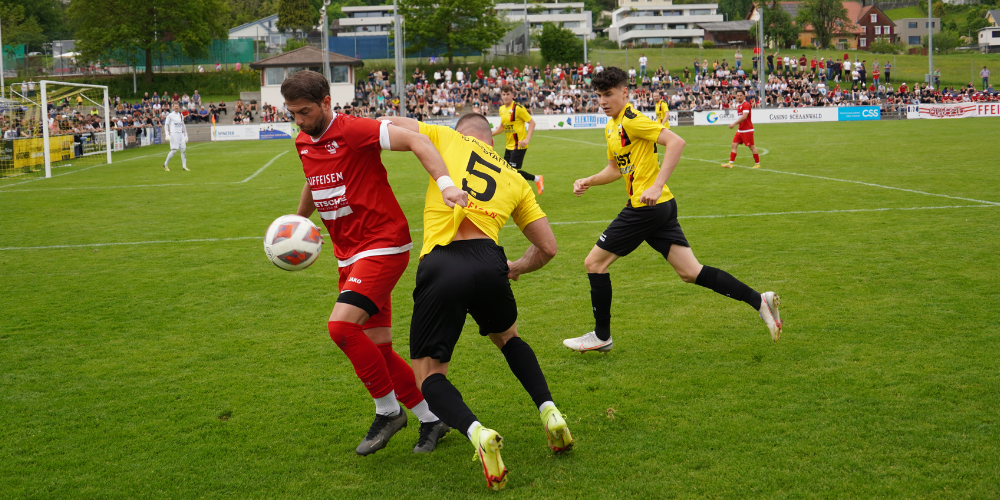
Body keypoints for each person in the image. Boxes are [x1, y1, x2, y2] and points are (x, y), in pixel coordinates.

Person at [379, 113, 573, 491]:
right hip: (489, 261)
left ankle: (477, 433)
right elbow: (548, 248)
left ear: (464, 132)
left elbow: (387, 122)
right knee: (508, 337)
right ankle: (549, 411)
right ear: (491, 138)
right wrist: (514, 267)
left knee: (429, 374)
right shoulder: (516, 179)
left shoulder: (446, 137)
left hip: (442, 263)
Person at [280, 70, 467, 456]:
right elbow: (315, 179)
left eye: (305, 112)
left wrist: (447, 183)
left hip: (383, 244)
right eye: (292, 113)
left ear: (327, 103)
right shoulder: (303, 140)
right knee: (377, 348)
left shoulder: (353, 130)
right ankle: (433, 419)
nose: (299, 120)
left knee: (342, 328)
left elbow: (417, 140)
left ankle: (388, 411)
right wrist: (297, 223)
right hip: (347, 253)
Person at [562, 67, 782, 353]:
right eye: (599, 95)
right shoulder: (612, 126)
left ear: (624, 92)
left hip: (646, 207)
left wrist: (656, 185)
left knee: (594, 263)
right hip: (661, 207)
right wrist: (588, 181)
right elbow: (616, 169)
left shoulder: (632, 120)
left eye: (609, 94)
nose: (603, 101)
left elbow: (676, 142)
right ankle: (759, 300)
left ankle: (601, 336)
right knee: (691, 272)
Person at [491, 84, 544, 194]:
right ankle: (537, 179)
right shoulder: (501, 109)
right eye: (504, 94)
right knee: (507, 172)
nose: (506, 97)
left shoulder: (518, 109)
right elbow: (502, 126)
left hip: (519, 145)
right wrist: (490, 134)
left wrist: (527, 139)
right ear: (501, 95)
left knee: (511, 173)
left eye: (508, 94)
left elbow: (532, 122)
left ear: (512, 95)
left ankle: (522, 191)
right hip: (508, 146)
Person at [721, 90, 761, 169]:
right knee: (734, 145)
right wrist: (738, 128)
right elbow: (740, 118)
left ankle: (757, 164)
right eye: (737, 96)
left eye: (740, 95)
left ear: (744, 96)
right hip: (740, 130)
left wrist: (734, 123)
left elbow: (744, 117)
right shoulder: (739, 105)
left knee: (752, 147)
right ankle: (731, 163)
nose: (739, 97)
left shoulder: (746, 104)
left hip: (747, 130)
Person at [162, 102, 189, 171]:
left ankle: (184, 166)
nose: (176, 107)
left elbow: (183, 125)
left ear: (179, 107)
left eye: (177, 106)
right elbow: (166, 124)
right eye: (175, 106)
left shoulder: (181, 115)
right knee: (174, 150)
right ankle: (165, 164)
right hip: (174, 134)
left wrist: (186, 135)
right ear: (173, 107)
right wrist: (167, 134)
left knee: (183, 150)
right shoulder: (170, 115)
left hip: (181, 134)